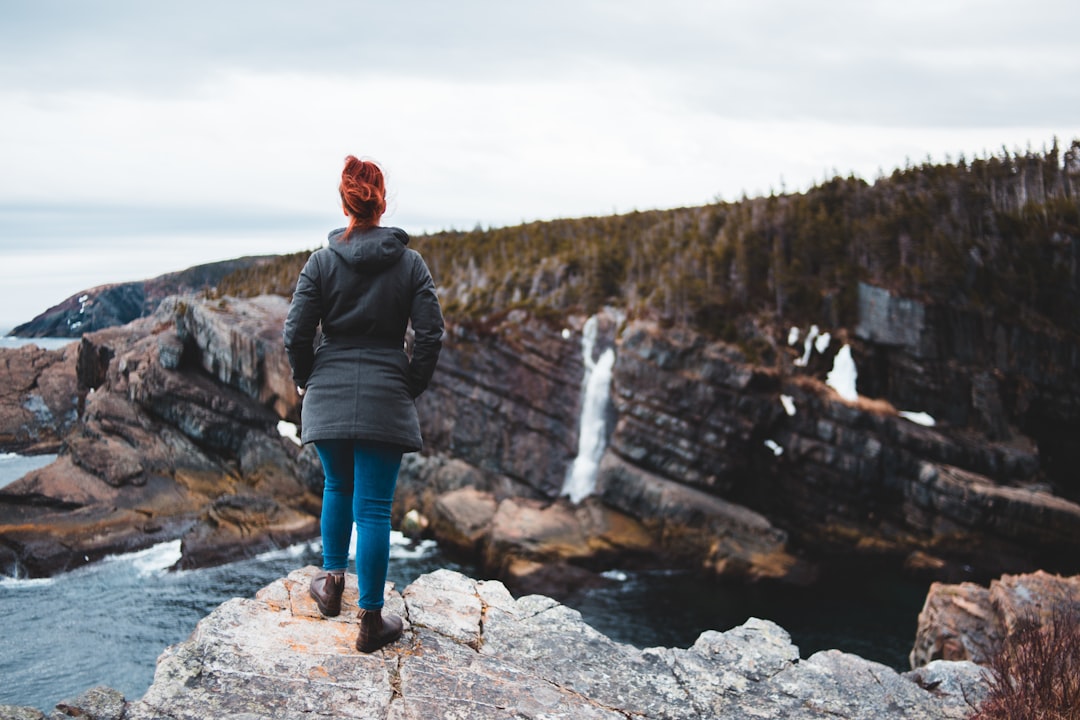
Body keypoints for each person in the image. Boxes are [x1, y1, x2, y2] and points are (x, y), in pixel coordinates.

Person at [283, 155, 443, 653]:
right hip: (385, 398)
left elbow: (295, 334)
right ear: (381, 202)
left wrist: (309, 381)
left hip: (328, 394)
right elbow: (431, 334)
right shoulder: (410, 263)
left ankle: (331, 588)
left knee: (336, 485)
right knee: (373, 509)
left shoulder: (321, 262)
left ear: (345, 202)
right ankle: (370, 625)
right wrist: (407, 385)